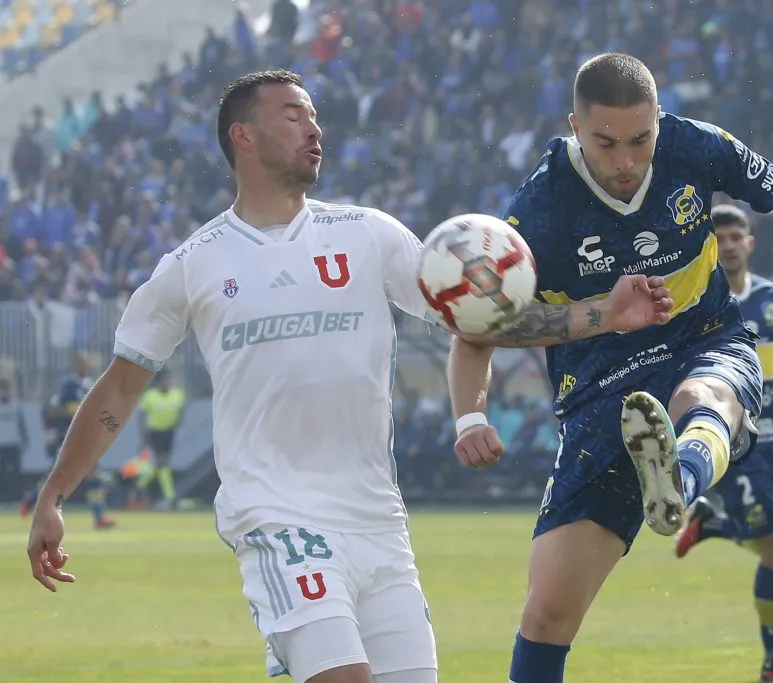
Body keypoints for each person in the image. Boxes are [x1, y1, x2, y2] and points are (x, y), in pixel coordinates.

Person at [25, 69, 673, 683]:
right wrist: (54, 494)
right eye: (294, 116)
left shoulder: (369, 235)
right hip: (276, 517)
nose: (315, 130)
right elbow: (119, 388)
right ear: (242, 136)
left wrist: (601, 314)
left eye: (315, 116)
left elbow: (479, 321)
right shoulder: (193, 265)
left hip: (377, 523)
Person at [446, 52, 773, 683]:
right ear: (574, 127)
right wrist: (471, 415)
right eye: (605, 143)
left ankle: (677, 484)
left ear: (660, 119)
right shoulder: (540, 210)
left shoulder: (698, 148)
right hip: (598, 396)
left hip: (704, 339)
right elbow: (475, 327)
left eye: (641, 139)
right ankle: (672, 474)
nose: (626, 161)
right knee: (548, 614)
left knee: (704, 394)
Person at [672, 205, 773, 682]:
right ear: (709, 245)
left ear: (749, 242)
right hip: (736, 447)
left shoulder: (769, 297)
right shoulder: (698, 299)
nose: (727, 245)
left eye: (734, 237)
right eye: (718, 238)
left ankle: (714, 524)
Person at [21, 353, 115, 529]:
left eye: (86, 362)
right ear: (76, 364)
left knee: (93, 474)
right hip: (68, 436)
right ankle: (33, 497)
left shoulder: (87, 384)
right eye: (81, 362)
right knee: (58, 475)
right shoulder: (69, 385)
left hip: (85, 436)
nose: (84, 365)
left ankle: (99, 516)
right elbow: (57, 409)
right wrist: (77, 412)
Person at [132, 369, 187, 509]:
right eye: (164, 380)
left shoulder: (177, 395)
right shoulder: (150, 396)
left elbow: (181, 410)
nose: (166, 383)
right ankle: (170, 497)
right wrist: (143, 434)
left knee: (160, 464)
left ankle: (139, 486)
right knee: (163, 462)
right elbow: (142, 416)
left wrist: (179, 420)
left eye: (168, 380)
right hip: (154, 432)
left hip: (169, 431)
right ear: (158, 382)